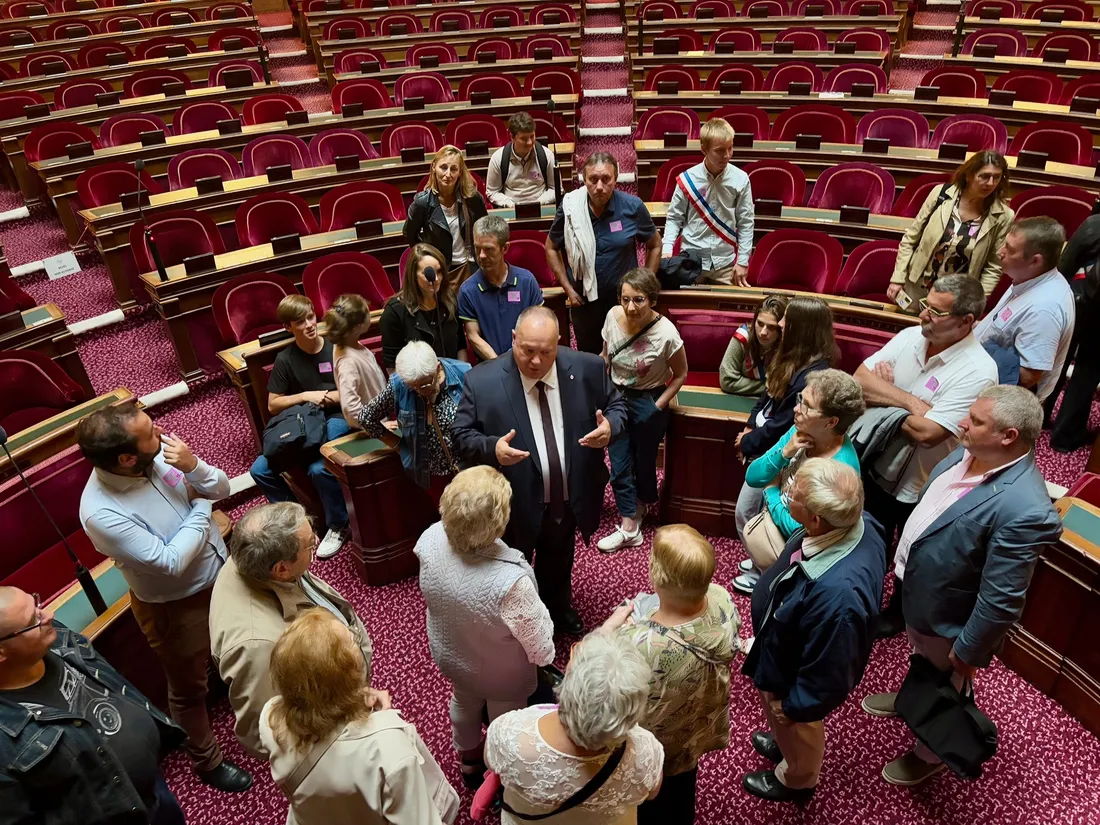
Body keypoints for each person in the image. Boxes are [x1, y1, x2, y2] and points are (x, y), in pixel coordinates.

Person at [862, 386, 1062, 787]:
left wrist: (968, 651)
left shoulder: (1026, 508)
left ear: (1008, 436)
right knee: (922, 661)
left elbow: (1001, 601)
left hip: (948, 617)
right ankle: (911, 698)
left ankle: (931, 752)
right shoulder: (969, 451)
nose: (961, 423)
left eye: (976, 420)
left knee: (947, 680)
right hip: (919, 595)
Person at [75, 401, 251, 793]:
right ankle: (207, 761)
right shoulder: (100, 512)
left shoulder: (159, 455)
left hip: (222, 573)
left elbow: (220, 487)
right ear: (126, 459)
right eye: (151, 434)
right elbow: (170, 561)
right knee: (188, 690)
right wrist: (201, 506)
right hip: (177, 606)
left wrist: (194, 467)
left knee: (237, 643)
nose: (161, 434)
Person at [452, 306, 628, 635]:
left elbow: (617, 406)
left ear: (559, 342)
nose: (536, 361)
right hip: (513, 504)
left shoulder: (587, 368)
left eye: (546, 352)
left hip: (567, 496)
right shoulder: (481, 380)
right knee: (510, 568)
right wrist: (492, 448)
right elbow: (461, 435)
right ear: (513, 339)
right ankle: (515, 625)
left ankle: (557, 608)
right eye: (527, 350)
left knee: (559, 558)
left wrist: (611, 428)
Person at [855, 274, 999, 635]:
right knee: (868, 538)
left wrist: (882, 394)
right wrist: (909, 402)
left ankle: (898, 613)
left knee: (914, 554)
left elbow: (929, 434)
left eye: (936, 312)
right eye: (925, 305)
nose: (923, 315)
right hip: (877, 463)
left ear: (966, 321)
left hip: (923, 483)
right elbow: (859, 379)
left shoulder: (979, 371)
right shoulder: (910, 337)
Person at [741, 459, 885, 804]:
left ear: (816, 519)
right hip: (784, 648)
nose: (787, 493)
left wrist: (795, 708)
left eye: (793, 494)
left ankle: (797, 778)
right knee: (785, 726)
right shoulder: (859, 520)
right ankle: (784, 743)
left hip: (795, 679)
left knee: (799, 728)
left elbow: (828, 673)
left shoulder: (840, 599)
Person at [416, 466, 555, 789]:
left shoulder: (429, 539)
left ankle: (468, 761)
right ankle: (499, 774)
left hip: (452, 655)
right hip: (501, 676)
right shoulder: (511, 580)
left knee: (463, 703)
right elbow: (541, 649)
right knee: (504, 721)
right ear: (499, 521)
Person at [0, 586, 187, 825]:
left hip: (154, 790)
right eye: (33, 620)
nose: (49, 615)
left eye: (37, 604)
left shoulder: (54, 635)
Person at [259, 610, 460, 825]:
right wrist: (383, 721)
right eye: (352, 639)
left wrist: (355, 697)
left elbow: (315, 704)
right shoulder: (388, 748)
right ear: (347, 673)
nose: (356, 636)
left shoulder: (270, 718)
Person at [209, 502, 373, 760]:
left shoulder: (255, 558)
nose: (316, 540)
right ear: (282, 569)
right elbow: (262, 735)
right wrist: (339, 727)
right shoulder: (256, 646)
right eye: (309, 544)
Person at [604, 524, 740, 824]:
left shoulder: (639, 643)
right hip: (694, 725)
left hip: (651, 739)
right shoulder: (722, 599)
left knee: (647, 800)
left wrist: (609, 632)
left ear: (657, 576)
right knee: (681, 785)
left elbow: (608, 688)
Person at [485, 632, 664, 824]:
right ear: (633, 711)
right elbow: (652, 793)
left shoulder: (510, 732)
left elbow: (490, 762)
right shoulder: (646, 752)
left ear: (569, 686)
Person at [733, 369, 866, 595]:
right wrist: (785, 452)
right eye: (799, 399)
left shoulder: (840, 470)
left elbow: (800, 531)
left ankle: (767, 576)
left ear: (831, 421)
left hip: (795, 552)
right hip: (778, 524)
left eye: (806, 405)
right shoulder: (801, 431)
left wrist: (771, 492)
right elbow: (753, 476)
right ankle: (761, 567)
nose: (796, 409)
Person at [249, 294, 350, 560]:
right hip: (302, 423)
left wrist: (325, 397)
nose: (309, 325)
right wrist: (306, 396)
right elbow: (273, 404)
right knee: (259, 470)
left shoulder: (335, 348)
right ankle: (296, 523)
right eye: (300, 322)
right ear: (288, 327)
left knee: (319, 468)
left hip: (335, 416)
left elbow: (352, 391)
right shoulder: (286, 358)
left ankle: (338, 524)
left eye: (311, 317)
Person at [596, 267, 688, 552]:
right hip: (617, 398)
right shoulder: (612, 317)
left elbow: (681, 374)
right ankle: (629, 525)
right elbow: (605, 356)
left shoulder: (667, 333)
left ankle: (642, 502)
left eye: (638, 300)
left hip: (649, 398)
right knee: (619, 460)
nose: (631, 307)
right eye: (625, 299)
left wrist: (656, 407)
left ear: (652, 300)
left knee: (644, 460)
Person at [734, 297, 836, 543]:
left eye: (785, 320)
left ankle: (761, 562)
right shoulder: (789, 356)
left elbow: (782, 424)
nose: (779, 324)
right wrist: (749, 426)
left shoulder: (813, 376)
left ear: (801, 329)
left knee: (749, 514)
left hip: (778, 450)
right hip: (764, 441)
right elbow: (767, 395)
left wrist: (747, 443)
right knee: (750, 515)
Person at [546, 152, 662, 354]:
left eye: (606, 179)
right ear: (584, 180)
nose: (599, 186)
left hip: (624, 302)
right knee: (590, 358)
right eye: (593, 179)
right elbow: (551, 247)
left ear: (615, 179)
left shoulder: (632, 206)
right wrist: (568, 289)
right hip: (584, 302)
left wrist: (645, 284)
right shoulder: (571, 207)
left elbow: (655, 245)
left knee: (626, 356)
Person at [889, 151, 1013, 312]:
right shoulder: (941, 194)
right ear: (969, 175)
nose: (990, 183)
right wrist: (897, 279)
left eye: (996, 177)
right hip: (915, 289)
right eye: (984, 176)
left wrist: (976, 301)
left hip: (956, 299)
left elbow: (994, 267)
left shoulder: (1003, 216)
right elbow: (910, 239)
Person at [975, 216, 1075, 404]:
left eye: (1009, 249)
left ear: (1035, 261)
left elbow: (1026, 377)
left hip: (996, 403)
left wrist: (979, 352)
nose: (1000, 252)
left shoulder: (1045, 309)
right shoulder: (1028, 276)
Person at [360, 341, 470, 499]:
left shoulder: (463, 373)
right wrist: (399, 446)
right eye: (413, 386)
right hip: (431, 475)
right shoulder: (399, 384)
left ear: (437, 368)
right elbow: (366, 418)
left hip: (470, 469)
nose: (419, 391)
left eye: (425, 384)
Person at [661, 117, 755, 286]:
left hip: (725, 263)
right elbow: (674, 218)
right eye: (720, 150)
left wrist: (742, 261)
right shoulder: (687, 179)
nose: (727, 155)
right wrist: (667, 249)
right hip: (691, 261)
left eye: (730, 148)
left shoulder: (741, 179)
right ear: (704, 149)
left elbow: (746, 222)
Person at [458, 214, 545, 361]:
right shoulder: (468, 290)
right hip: (490, 365)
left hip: (526, 361)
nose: (481, 255)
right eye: (477, 248)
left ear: (505, 248)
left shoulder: (527, 281)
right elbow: (473, 336)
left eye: (488, 249)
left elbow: (539, 325)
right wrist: (500, 365)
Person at [1048, 214, 1100, 451]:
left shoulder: (1095, 223)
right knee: (1088, 372)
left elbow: (1064, 266)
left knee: (1057, 360)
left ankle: (1038, 415)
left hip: (1075, 302)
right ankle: (1066, 435)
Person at [403, 144, 488, 281]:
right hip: (441, 269)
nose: (448, 174)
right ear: (434, 167)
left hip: (471, 266)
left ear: (460, 172)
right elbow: (409, 234)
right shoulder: (422, 203)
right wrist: (428, 257)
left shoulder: (472, 198)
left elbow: (485, 229)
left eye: (453, 169)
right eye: (443, 167)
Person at [380, 243, 468, 369]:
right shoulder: (394, 312)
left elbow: (460, 346)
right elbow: (392, 366)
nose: (436, 279)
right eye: (429, 273)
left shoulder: (449, 300)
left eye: (439, 271)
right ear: (413, 275)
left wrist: (461, 374)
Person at [324, 293, 387, 429]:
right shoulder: (347, 362)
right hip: (377, 429)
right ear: (358, 327)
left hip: (381, 418)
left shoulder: (349, 342)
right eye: (368, 314)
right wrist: (379, 428)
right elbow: (351, 408)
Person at [486, 111, 558, 207]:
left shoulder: (547, 155)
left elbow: (556, 189)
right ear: (512, 137)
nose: (529, 142)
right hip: (511, 208)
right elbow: (492, 192)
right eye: (524, 138)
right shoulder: (498, 158)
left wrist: (538, 203)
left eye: (532, 136)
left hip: (541, 206)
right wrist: (511, 205)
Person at [719, 295, 786, 397]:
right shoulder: (743, 336)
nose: (763, 332)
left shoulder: (787, 344)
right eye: (760, 323)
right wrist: (770, 387)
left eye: (772, 327)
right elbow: (727, 381)